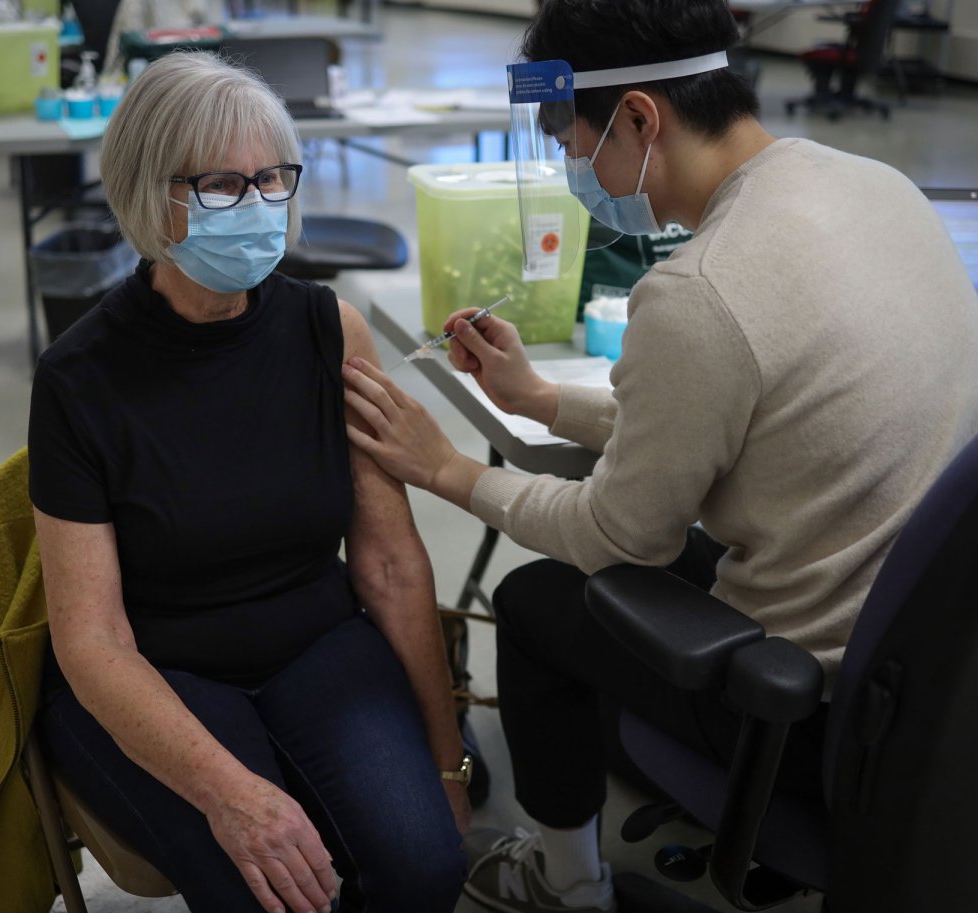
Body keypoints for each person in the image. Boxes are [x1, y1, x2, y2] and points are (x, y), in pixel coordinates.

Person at [340, 1, 978, 911]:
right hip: (924, 668)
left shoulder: (698, 292)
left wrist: (449, 469)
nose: (569, 167)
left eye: (572, 140)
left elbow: (617, 535)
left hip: (801, 709)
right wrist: (541, 400)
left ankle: (566, 881)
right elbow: (744, 414)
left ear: (641, 118)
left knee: (531, 602)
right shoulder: (876, 186)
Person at [27, 52, 468, 913]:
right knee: (265, 892)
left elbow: (389, 564)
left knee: (427, 865)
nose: (260, 204)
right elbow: (94, 641)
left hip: (315, 640)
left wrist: (444, 757)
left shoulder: (326, 328)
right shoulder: (78, 378)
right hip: (159, 666)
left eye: (271, 179)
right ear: (152, 195)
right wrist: (231, 793)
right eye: (224, 186)